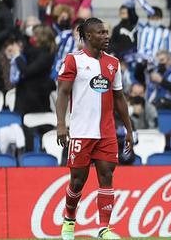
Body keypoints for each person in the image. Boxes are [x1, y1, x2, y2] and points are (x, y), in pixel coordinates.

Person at [55, 18, 134, 240]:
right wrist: (62, 124)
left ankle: (104, 228)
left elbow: (119, 97)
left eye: (106, 32)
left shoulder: (113, 63)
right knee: (77, 181)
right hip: (81, 132)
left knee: (106, 175)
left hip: (107, 132)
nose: (106, 36)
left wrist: (128, 129)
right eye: (101, 33)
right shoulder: (73, 60)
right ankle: (69, 220)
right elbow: (62, 93)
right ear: (88, 36)